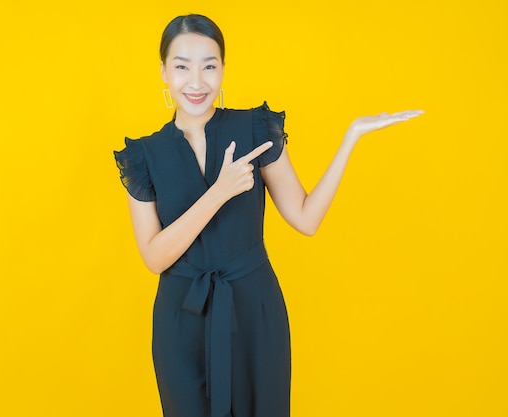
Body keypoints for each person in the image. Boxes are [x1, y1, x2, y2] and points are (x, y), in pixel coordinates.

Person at [114, 13, 422, 417]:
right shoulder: (144, 156)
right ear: (163, 72)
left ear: (223, 68)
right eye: (182, 66)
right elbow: (154, 258)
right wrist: (219, 192)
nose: (196, 81)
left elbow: (306, 219)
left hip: (254, 309)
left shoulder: (256, 129)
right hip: (181, 321)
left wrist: (351, 137)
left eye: (209, 65)